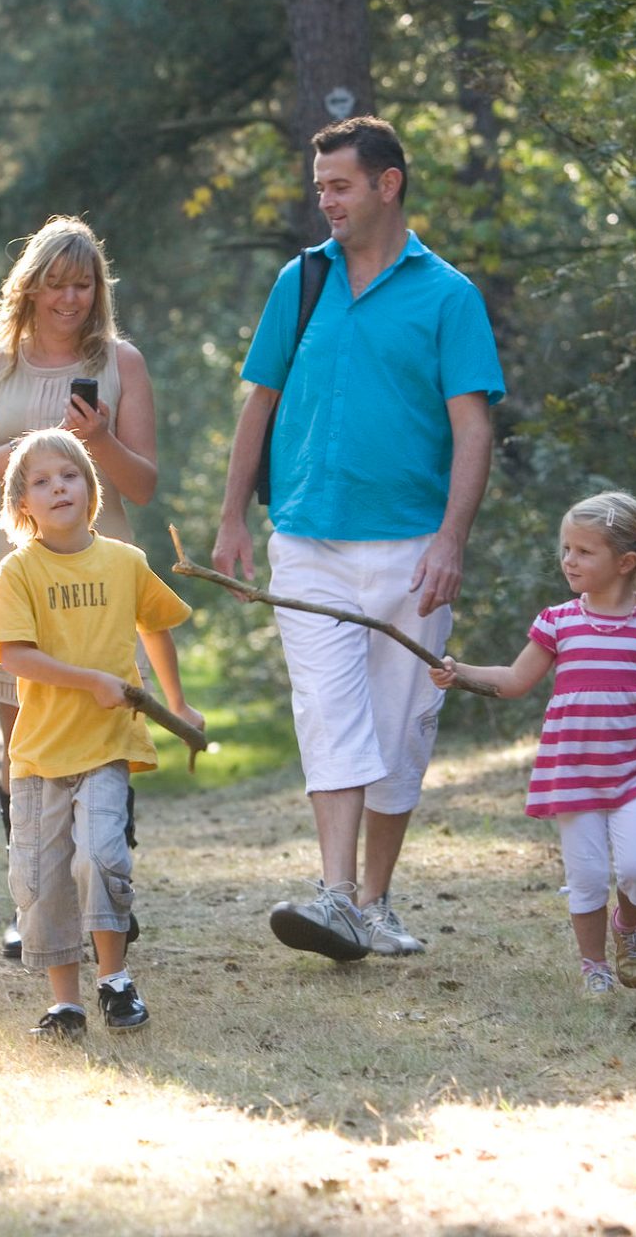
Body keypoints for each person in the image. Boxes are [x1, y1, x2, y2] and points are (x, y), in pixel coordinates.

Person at [211, 116, 504, 962]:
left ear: (388, 184)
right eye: (321, 189)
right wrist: (232, 516)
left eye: (340, 186)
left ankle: (374, 903)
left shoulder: (448, 296)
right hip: (308, 541)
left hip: (412, 550)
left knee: (402, 726)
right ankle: (335, 897)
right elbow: (260, 403)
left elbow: (473, 428)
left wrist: (451, 541)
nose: (327, 202)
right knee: (327, 711)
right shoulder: (301, 280)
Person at [0, 216, 161, 959]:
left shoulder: (122, 363)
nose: (70, 299)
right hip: (15, 572)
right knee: (25, 746)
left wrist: (98, 440)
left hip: (101, 572)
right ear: (29, 288)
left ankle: (109, 900)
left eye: (83, 284)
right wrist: (27, 452)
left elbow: (144, 485)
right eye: (57, 284)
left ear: (100, 290)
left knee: (106, 733)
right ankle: (34, 905)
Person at [429, 491, 636, 993]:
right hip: (573, 769)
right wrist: (459, 672)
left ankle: (628, 925)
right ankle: (594, 966)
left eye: (583, 551)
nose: (568, 560)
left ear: (625, 562)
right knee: (588, 877)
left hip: (635, 769)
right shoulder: (558, 621)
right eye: (566, 549)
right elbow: (515, 680)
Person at [0, 428, 202, 1036]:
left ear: (90, 488)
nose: (58, 489)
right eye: (41, 482)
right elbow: (14, 655)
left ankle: (115, 982)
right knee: (43, 881)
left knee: (102, 858)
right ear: (22, 503)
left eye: (69, 476)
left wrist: (179, 704)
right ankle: (66, 1004)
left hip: (107, 746)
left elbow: (156, 626)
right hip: (38, 755)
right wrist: (90, 680)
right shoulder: (17, 570)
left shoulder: (125, 562)